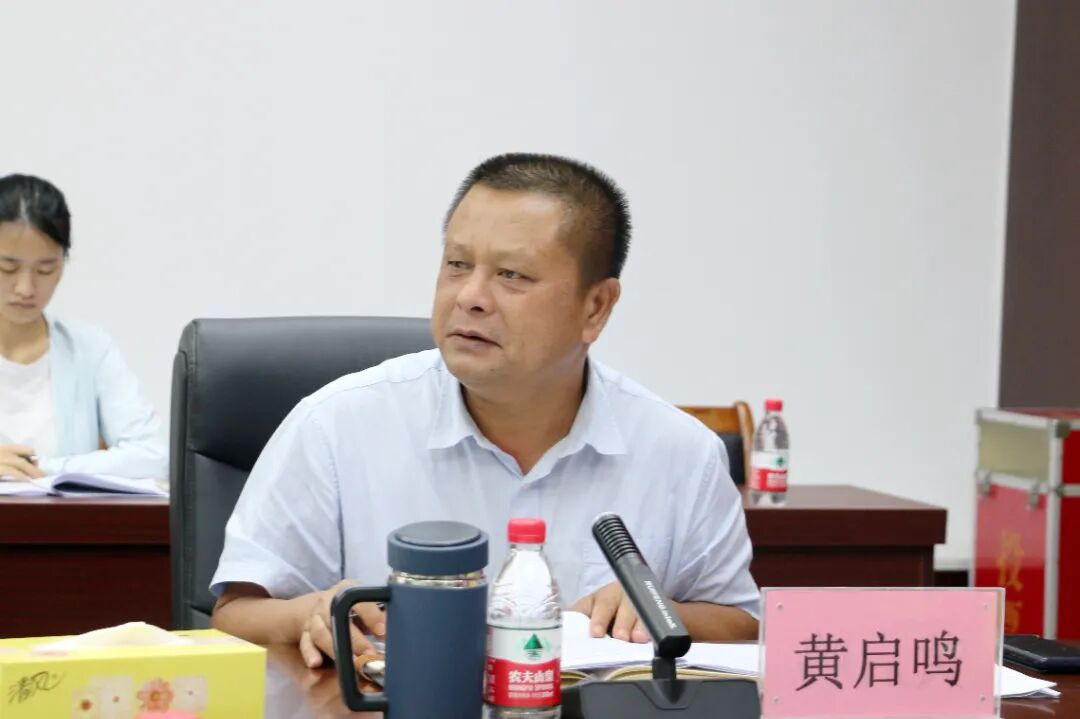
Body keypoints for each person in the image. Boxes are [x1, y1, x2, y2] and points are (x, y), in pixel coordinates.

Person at [211, 154, 759, 671]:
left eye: (512, 275)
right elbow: (234, 615)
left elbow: (743, 625)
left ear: (595, 307)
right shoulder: (335, 426)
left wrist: (659, 611)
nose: (470, 296)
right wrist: (307, 614)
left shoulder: (679, 452)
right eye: (457, 265)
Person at [0, 174, 167, 481]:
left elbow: (153, 455)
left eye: (45, 269)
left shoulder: (90, 350)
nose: (26, 288)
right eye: (7, 268)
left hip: (63, 514)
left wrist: (40, 469)